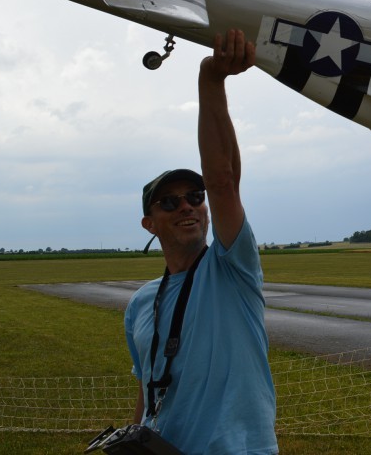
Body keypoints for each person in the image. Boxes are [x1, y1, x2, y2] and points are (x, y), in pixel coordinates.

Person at [124, 29, 278, 454]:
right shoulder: (140, 303)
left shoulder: (232, 269)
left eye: (194, 197)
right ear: (149, 224)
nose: (187, 207)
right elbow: (148, 385)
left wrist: (211, 80)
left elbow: (224, 182)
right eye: (169, 203)